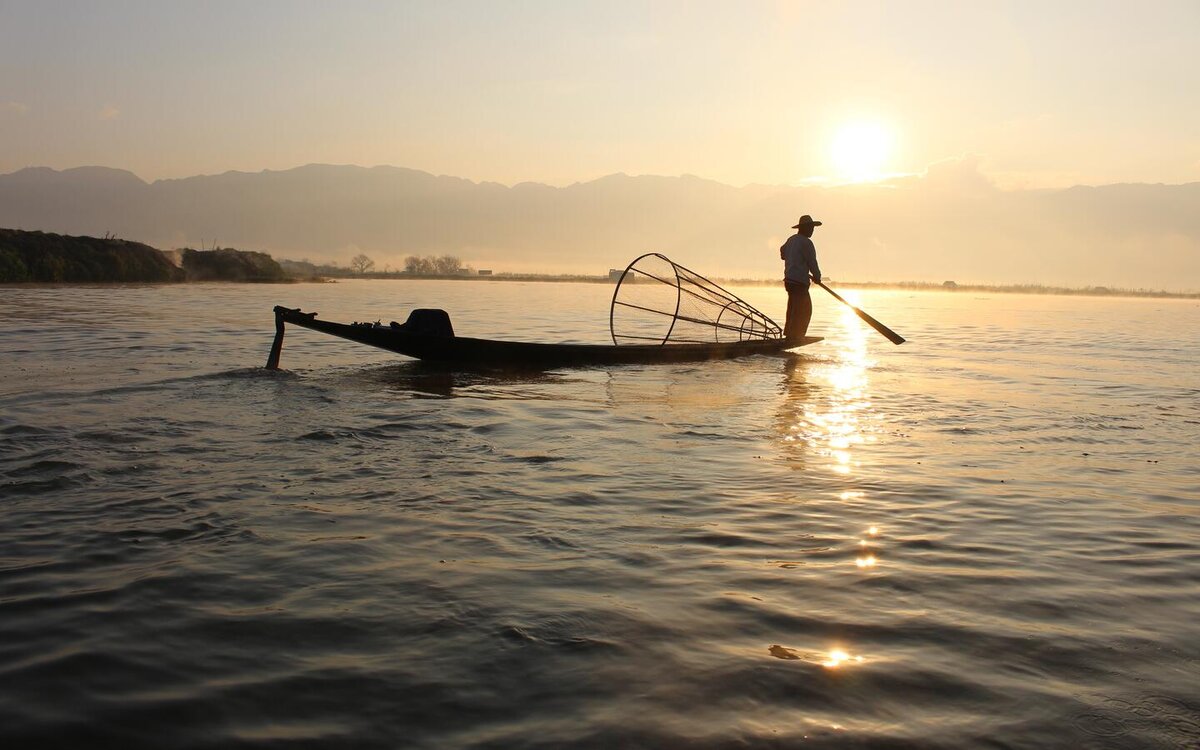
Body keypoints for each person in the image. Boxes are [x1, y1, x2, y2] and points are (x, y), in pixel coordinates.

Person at [779, 215, 823, 341]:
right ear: (805, 228)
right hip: (799, 282)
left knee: (793, 307)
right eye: (811, 228)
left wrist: (790, 257)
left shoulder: (791, 240)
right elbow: (812, 262)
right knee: (804, 309)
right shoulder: (806, 243)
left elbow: (782, 252)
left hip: (789, 281)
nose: (812, 231)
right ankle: (796, 336)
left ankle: (790, 333)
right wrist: (817, 276)